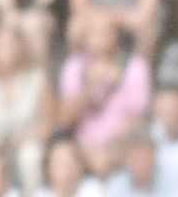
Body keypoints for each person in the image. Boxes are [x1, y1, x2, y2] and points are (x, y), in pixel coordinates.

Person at [57, 9, 153, 175]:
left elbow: (138, 118)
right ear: (86, 37)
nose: (99, 38)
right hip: (82, 148)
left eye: (104, 32)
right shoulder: (74, 67)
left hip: (122, 146)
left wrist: (111, 149)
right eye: (93, 32)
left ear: (116, 35)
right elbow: (64, 120)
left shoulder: (135, 66)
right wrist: (90, 86)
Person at [0, 19, 54, 191]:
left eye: (12, 44)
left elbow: (49, 123)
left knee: (29, 158)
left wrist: (24, 139)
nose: (7, 50)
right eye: (2, 45)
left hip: (32, 140)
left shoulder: (38, 79)